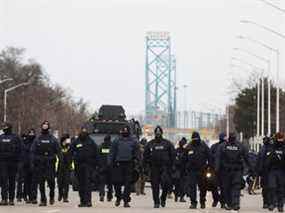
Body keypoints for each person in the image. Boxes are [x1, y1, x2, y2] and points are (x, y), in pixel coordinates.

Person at [215, 132, 253, 211]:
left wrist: (217, 169)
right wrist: (251, 168)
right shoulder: (239, 146)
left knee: (231, 188)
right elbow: (247, 158)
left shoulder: (223, 146)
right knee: (233, 188)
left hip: (229, 171)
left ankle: (233, 204)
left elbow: (218, 158)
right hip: (234, 171)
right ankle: (233, 204)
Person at [30, 121, 62, 206]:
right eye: (43, 125)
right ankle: (43, 200)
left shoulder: (53, 139)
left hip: (50, 163)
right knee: (41, 182)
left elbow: (58, 151)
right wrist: (32, 162)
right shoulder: (38, 139)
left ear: (48, 127)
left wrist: (60, 162)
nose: (45, 126)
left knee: (51, 182)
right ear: (41, 127)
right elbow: (33, 151)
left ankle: (51, 196)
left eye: (46, 125)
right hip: (40, 163)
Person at [143, 126, 175, 208]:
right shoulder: (150, 144)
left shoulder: (168, 143)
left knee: (166, 184)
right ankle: (156, 202)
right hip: (154, 167)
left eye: (159, 132)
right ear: (155, 133)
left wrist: (172, 167)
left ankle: (163, 198)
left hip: (165, 167)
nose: (158, 133)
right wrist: (145, 168)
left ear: (161, 133)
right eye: (156, 132)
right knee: (155, 186)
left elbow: (173, 156)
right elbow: (145, 157)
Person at [109, 125, 139, 208]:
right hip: (118, 164)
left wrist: (137, 161)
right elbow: (112, 153)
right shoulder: (116, 141)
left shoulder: (133, 141)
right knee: (117, 183)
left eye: (126, 131)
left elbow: (137, 152)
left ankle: (126, 201)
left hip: (129, 164)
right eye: (124, 131)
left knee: (128, 183)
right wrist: (110, 163)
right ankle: (118, 197)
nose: (125, 132)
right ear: (121, 131)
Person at [71, 126, 99, 207]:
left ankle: (88, 201)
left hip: (88, 165)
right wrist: (70, 161)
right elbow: (71, 152)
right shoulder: (76, 141)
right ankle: (82, 201)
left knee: (87, 183)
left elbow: (96, 153)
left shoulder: (91, 141)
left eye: (85, 131)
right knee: (80, 184)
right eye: (82, 131)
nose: (83, 132)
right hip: (78, 165)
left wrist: (97, 165)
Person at [183, 131, 212, 209]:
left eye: (196, 139)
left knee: (203, 187)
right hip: (191, 171)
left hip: (202, 170)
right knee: (192, 187)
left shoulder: (204, 146)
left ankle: (202, 201)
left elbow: (210, 156)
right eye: (194, 139)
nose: (195, 140)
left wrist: (209, 166)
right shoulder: (188, 146)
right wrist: (185, 168)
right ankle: (193, 202)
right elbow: (184, 158)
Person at [258, 133, 285, 212]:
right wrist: (262, 171)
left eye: (281, 138)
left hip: (282, 171)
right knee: (272, 187)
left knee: (281, 189)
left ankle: (280, 205)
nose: (280, 140)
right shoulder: (270, 148)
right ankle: (271, 203)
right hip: (271, 171)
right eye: (279, 138)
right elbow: (265, 160)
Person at [0, 122, 22, 206]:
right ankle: (4, 198)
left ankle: (11, 199)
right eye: (3, 127)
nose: (4, 128)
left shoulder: (16, 137)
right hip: (3, 162)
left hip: (13, 162)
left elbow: (20, 150)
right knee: (4, 180)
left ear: (9, 127)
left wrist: (20, 162)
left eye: (5, 126)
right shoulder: (1, 137)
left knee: (12, 181)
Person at [210, 132, 227, 208]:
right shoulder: (214, 146)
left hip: (224, 170)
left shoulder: (228, 146)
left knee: (224, 186)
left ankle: (223, 202)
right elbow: (209, 156)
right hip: (214, 169)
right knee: (213, 185)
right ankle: (216, 199)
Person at [57, 133, 72, 203]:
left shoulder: (70, 147)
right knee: (60, 182)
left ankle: (65, 197)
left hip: (67, 167)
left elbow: (72, 155)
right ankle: (60, 194)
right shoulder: (59, 146)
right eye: (67, 139)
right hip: (60, 167)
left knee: (66, 182)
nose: (68, 140)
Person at [98, 134, 113, 202]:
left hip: (102, 167)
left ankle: (101, 194)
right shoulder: (112, 146)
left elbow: (98, 156)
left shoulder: (101, 146)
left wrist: (98, 165)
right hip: (110, 167)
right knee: (110, 183)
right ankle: (109, 196)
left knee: (102, 183)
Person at [23, 129, 36, 204]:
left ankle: (33, 197)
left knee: (34, 182)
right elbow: (23, 152)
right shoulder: (25, 142)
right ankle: (25, 195)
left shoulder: (36, 141)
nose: (31, 134)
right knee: (26, 181)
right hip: (26, 164)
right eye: (30, 133)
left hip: (34, 164)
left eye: (32, 133)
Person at [173, 137, 187, 203]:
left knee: (179, 184)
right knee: (181, 184)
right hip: (179, 170)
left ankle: (178, 196)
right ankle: (180, 197)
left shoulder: (178, 150)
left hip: (180, 170)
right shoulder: (184, 151)